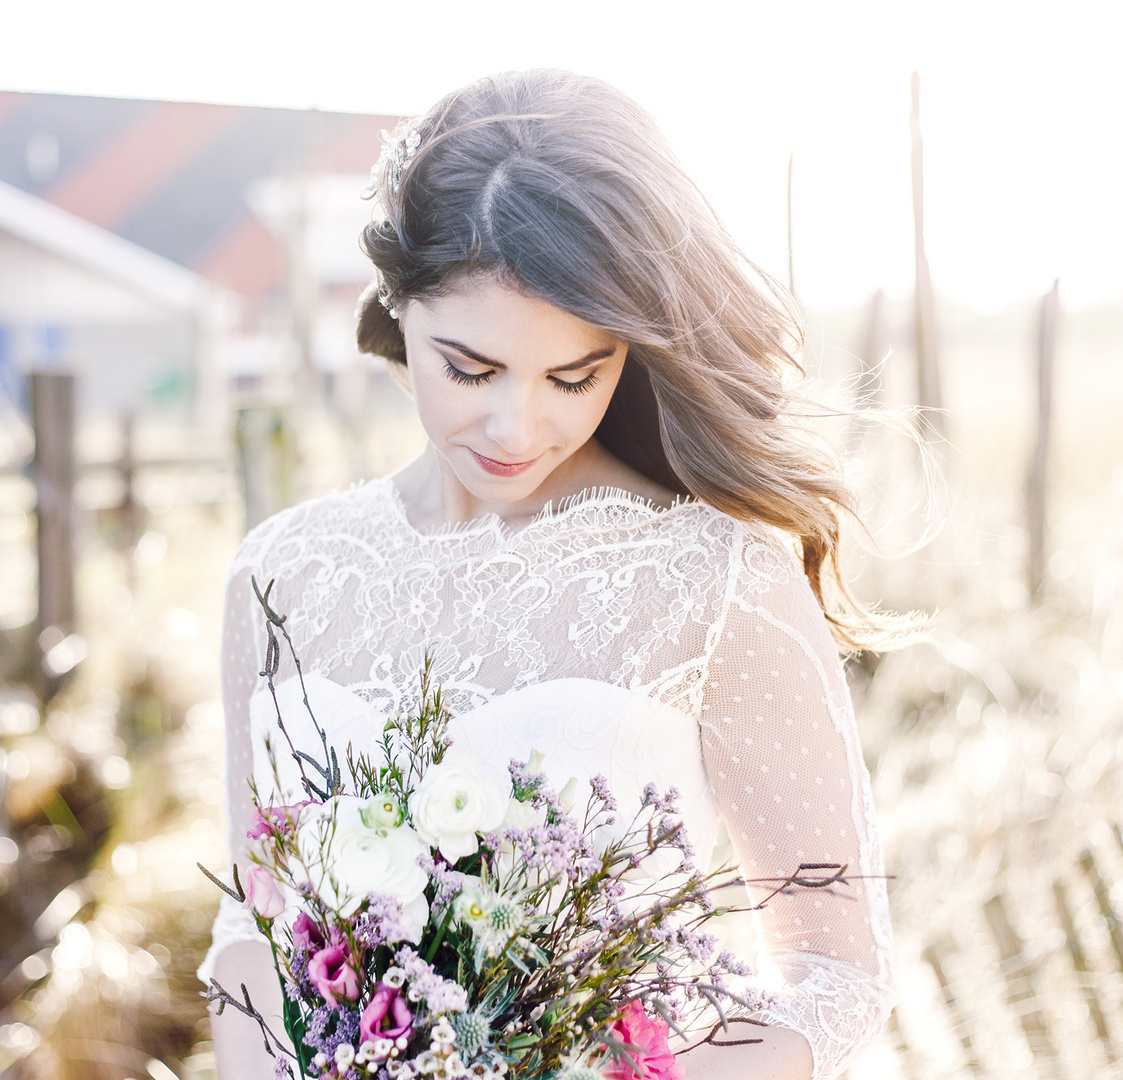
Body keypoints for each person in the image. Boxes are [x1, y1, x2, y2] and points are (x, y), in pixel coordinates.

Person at [203, 69, 896, 1080]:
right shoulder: (282, 575)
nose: (519, 427)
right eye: (470, 368)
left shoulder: (718, 576)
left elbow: (839, 974)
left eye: (576, 375)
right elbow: (247, 920)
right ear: (398, 310)